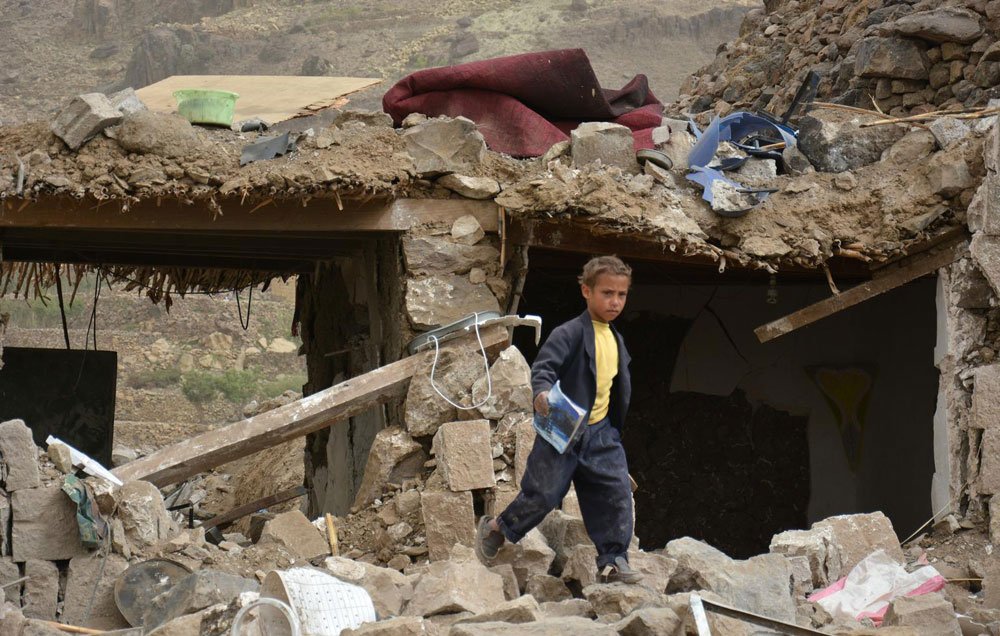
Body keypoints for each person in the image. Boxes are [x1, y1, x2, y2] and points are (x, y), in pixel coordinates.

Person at [475, 255, 641, 584]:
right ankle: (496, 529)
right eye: (607, 293)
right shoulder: (569, 333)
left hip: (601, 434)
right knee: (543, 495)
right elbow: (544, 368)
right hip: (564, 428)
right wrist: (541, 393)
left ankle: (613, 561)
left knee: (616, 492)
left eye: (621, 295)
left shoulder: (615, 339)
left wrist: (612, 430)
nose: (615, 302)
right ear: (586, 291)